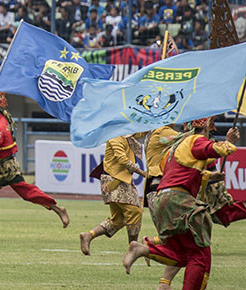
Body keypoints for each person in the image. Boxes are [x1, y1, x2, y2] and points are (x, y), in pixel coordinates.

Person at [122, 116, 240, 290]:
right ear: (206, 127)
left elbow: (179, 174)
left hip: (165, 199)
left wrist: (208, 176)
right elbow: (214, 149)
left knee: (185, 254)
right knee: (200, 257)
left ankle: (144, 249)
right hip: (179, 201)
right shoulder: (195, 140)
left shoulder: (175, 147)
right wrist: (229, 142)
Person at [0, 93, 69, 236]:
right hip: (10, 164)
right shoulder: (1, 118)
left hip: (3, 168)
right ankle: (57, 209)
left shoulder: (0, 128)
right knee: (27, 193)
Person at [80, 133, 148, 255]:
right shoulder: (115, 136)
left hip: (119, 180)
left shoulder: (126, 134)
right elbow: (122, 159)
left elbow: (139, 132)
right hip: (115, 181)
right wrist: (142, 173)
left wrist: (154, 123)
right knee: (135, 211)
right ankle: (133, 248)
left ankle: (89, 235)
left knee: (119, 219)